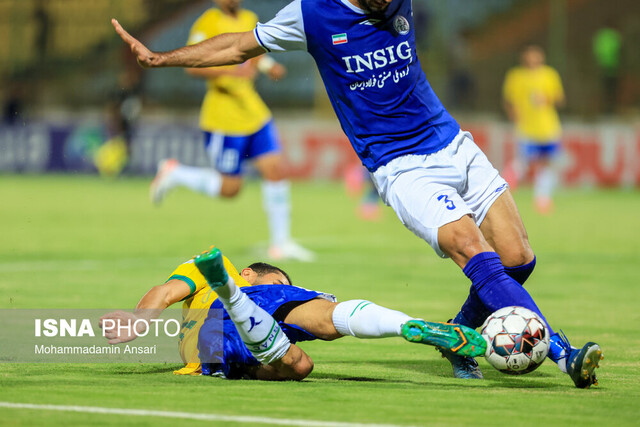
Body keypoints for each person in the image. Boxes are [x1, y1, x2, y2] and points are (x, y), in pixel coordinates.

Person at [111, 0, 602, 388]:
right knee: (472, 249)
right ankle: (561, 352)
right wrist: (160, 59)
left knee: (518, 260)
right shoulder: (313, 14)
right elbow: (238, 46)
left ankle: (457, 339)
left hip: (453, 142)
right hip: (401, 167)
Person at [100, 246, 486, 379]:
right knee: (326, 315)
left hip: (221, 360)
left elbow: (165, 294)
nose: (281, 288)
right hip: (221, 321)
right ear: (248, 274)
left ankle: (411, 327)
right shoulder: (230, 268)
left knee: (301, 367)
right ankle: (403, 324)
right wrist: (139, 319)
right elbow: (164, 292)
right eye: (276, 282)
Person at [149, 0, 314, 262]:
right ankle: (175, 173)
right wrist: (230, 72)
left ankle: (281, 244)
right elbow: (192, 66)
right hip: (224, 118)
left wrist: (267, 66)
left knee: (275, 170)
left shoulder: (249, 17)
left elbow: (255, 53)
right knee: (230, 189)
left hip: (254, 112)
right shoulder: (208, 22)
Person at [502, 44, 565, 214]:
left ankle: (542, 199)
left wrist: (546, 99)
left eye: (536, 55)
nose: (533, 58)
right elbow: (509, 101)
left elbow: (559, 98)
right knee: (523, 161)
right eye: (529, 55)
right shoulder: (516, 76)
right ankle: (503, 188)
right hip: (527, 128)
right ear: (524, 57)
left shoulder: (550, 74)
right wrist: (514, 115)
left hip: (549, 128)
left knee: (549, 163)